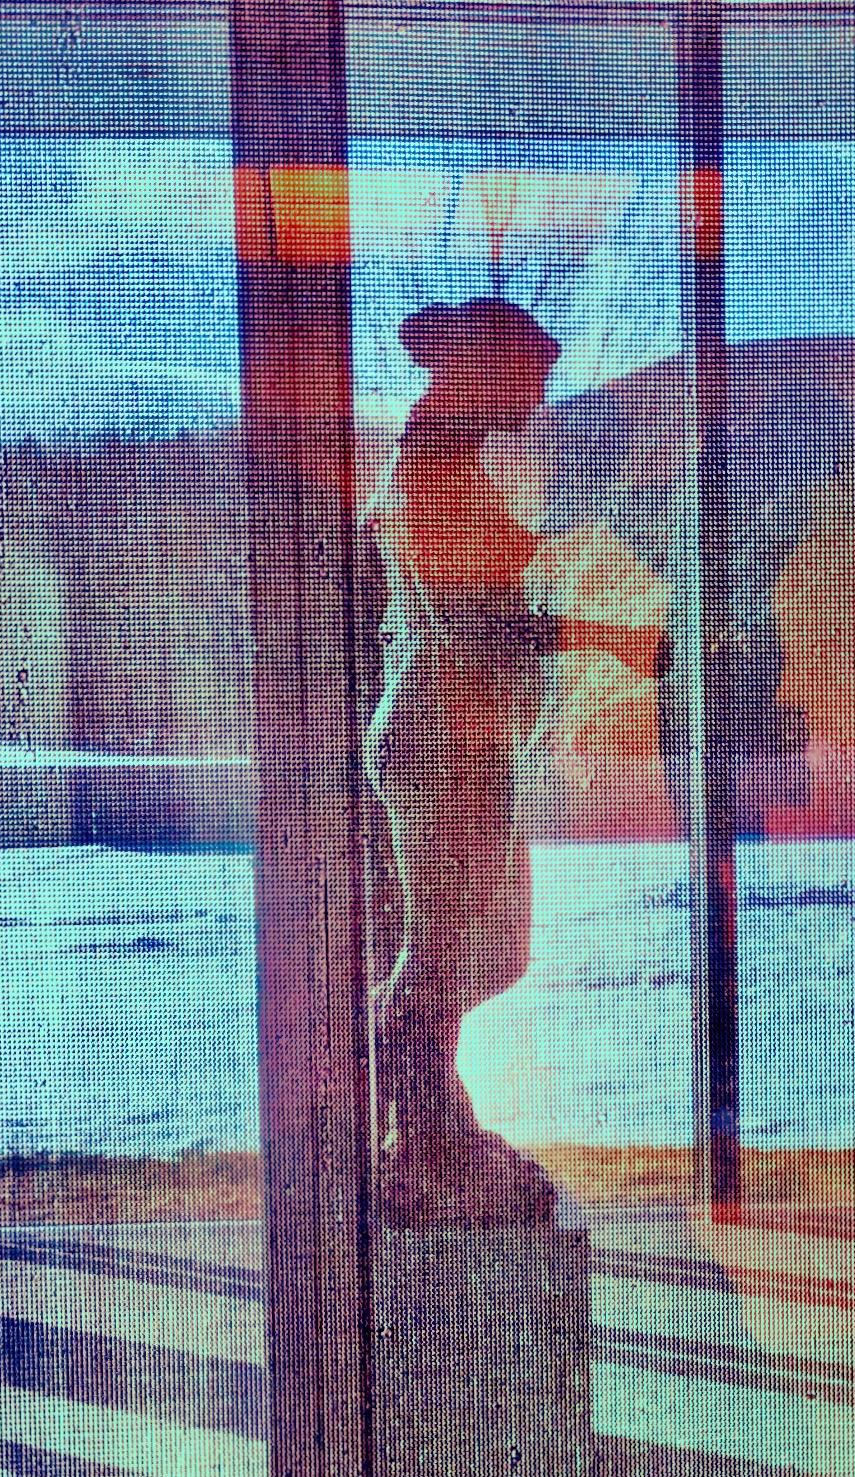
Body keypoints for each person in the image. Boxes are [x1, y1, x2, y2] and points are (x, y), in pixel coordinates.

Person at [363, 297, 669, 1226]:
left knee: (483, 951)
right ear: (482, 371)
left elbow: (482, 590)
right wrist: (607, 635)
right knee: (444, 951)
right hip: (441, 744)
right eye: (530, 380)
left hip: (465, 742)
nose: (537, 404)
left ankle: (431, 1122)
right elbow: (474, 622)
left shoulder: (446, 464)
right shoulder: (431, 470)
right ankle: (421, 1137)